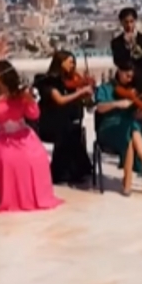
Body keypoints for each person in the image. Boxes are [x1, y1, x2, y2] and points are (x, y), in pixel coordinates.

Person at [0, 61, 63, 213]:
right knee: (6, 159)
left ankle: (36, 197)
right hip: (2, 138)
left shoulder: (19, 93)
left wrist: (29, 101)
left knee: (37, 157)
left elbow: (34, 115)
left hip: (24, 136)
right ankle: (13, 200)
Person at [94, 62, 142, 196]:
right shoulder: (105, 88)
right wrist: (117, 104)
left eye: (131, 76)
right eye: (127, 75)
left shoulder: (133, 91)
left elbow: (137, 116)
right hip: (109, 127)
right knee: (130, 129)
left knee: (131, 129)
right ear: (119, 71)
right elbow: (99, 108)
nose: (129, 79)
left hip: (128, 128)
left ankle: (129, 180)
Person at [36, 50, 93, 188]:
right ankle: (63, 173)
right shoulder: (48, 81)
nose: (73, 66)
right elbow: (60, 100)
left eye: (74, 62)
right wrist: (81, 91)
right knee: (67, 132)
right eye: (70, 62)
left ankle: (73, 172)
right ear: (60, 63)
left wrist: (86, 95)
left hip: (66, 121)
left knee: (73, 131)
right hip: (49, 122)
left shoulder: (72, 79)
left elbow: (80, 100)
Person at [110, 7, 142, 155]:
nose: (129, 25)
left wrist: (137, 49)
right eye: (126, 22)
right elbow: (118, 62)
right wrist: (127, 48)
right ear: (121, 23)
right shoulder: (117, 43)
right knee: (128, 115)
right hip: (127, 85)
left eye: (131, 21)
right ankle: (130, 147)